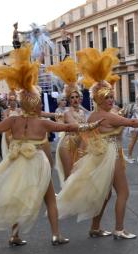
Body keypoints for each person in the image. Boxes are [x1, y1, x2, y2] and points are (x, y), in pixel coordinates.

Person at [0, 45, 99, 246]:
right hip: (37, 161)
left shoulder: (13, 120)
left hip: (16, 162)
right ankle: (55, 235)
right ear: (36, 104)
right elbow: (69, 126)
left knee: (18, 197)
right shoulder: (42, 122)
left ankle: (14, 234)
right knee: (49, 199)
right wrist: (91, 125)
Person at [56, 48, 138, 238]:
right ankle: (119, 229)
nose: (110, 99)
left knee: (106, 195)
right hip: (110, 155)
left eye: (111, 96)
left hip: (105, 155)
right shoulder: (106, 115)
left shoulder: (96, 114)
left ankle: (95, 227)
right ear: (99, 99)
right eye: (106, 97)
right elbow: (132, 122)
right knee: (123, 192)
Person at [47, 57, 86, 185]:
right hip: (68, 145)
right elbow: (76, 126)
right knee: (70, 178)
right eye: (72, 97)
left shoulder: (82, 112)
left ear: (80, 98)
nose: (75, 99)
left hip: (81, 144)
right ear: (69, 99)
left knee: (80, 177)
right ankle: (64, 203)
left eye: (77, 97)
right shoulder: (67, 112)